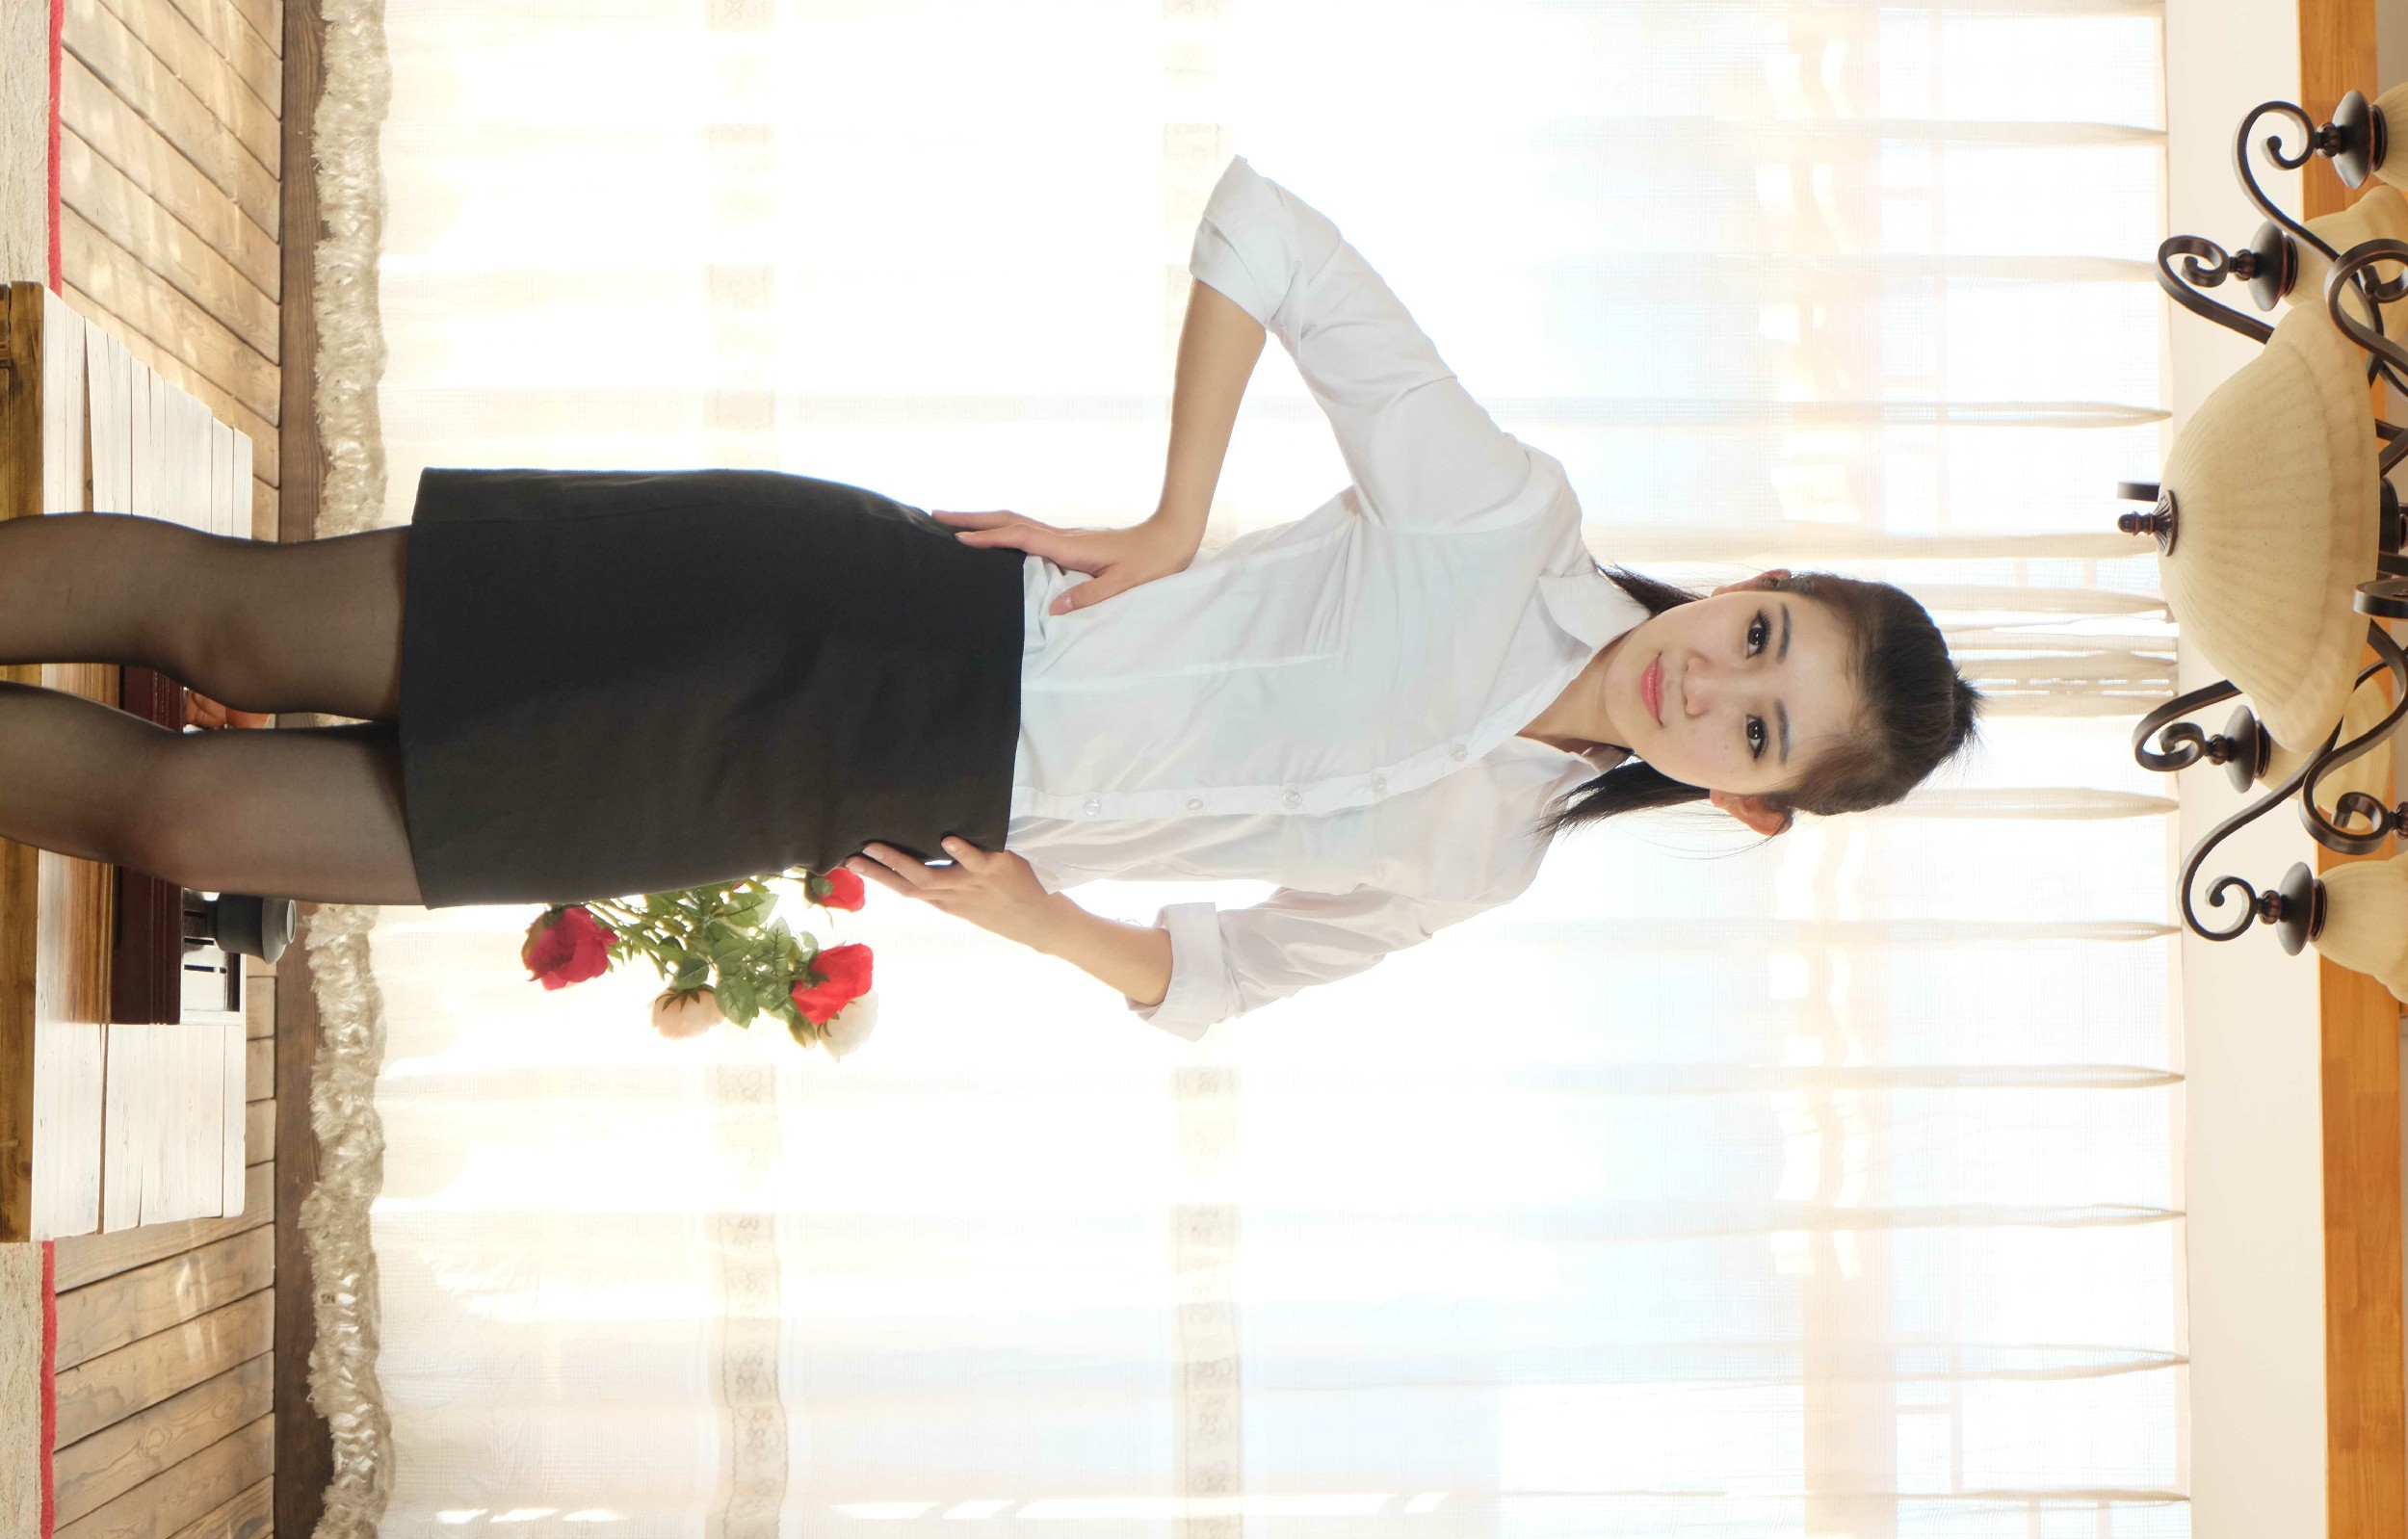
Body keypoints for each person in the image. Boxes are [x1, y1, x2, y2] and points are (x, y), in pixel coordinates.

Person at [0, 157, 1976, 1040]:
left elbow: (1225, 981)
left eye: (1758, 731)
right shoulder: (1503, 517)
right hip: (866, 613)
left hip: (843, 790)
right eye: (1760, 635)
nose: (1709, 683)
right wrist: (1176, 518)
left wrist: (1039, 915)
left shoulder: (1481, 861)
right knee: (236, 630)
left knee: (192, 824)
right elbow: (1267, 232)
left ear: (1745, 805)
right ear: (1752, 581)